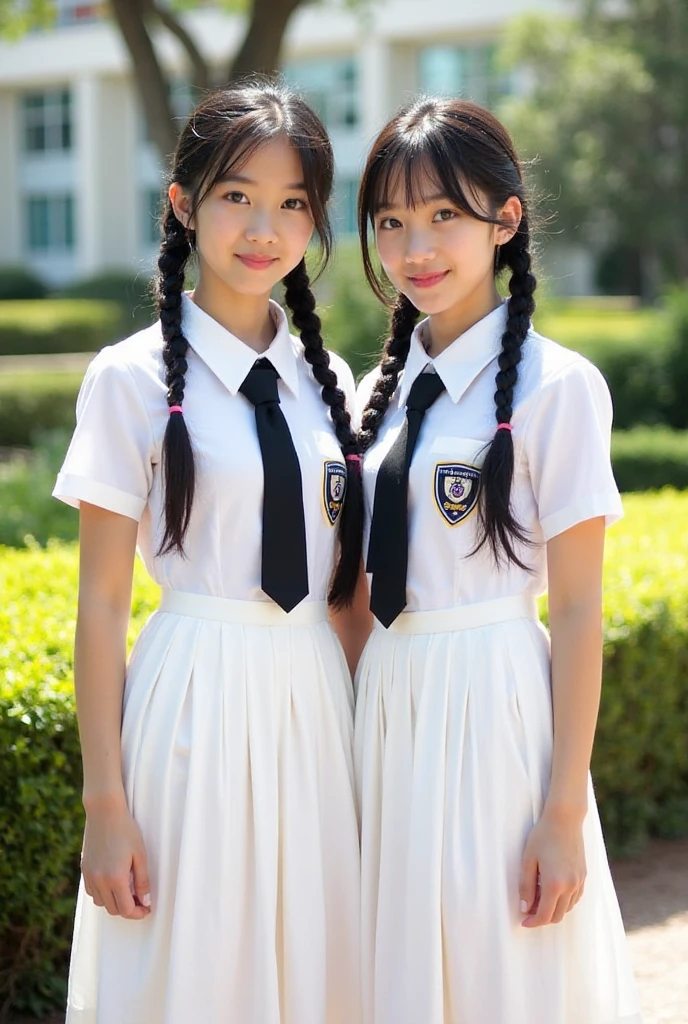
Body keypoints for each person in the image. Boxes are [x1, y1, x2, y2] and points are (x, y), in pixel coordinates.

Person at [53, 83, 363, 1024]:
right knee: (190, 968)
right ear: (184, 204)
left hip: (312, 699)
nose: (263, 227)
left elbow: (345, 587)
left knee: (312, 961)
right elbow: (101, 607)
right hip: (190, 701)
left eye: (293, 202)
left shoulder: (330, 380)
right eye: (236, 195)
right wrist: (105, 807)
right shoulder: (128, 378)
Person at [351, 97, 642, 1024]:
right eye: (391, 221)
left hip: (493, 714)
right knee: (392, 976)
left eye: (443, 214)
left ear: (504, 219)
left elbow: (581, 614)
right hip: (383, 714)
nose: (414, 248)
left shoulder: (560, 388)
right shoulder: (375, 392)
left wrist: (562, 818)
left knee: (496, 976)